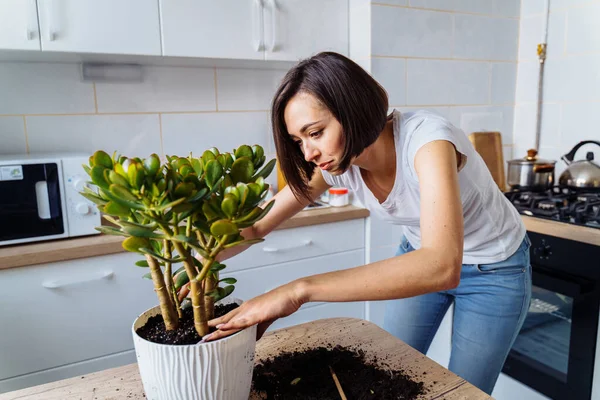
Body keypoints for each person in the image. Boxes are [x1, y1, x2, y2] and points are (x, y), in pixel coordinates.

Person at [201, 51, 531, 395]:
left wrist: (297, 291)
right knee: (389, 372)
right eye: (299, 141)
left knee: (466, 391)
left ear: (353, 109)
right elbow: (256, 226)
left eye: (315, 132)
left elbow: (441, 265)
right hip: (419, 254)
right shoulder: (335, 162)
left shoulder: (429, 142)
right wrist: (199, 260)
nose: (308, 153)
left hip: (494, 269)